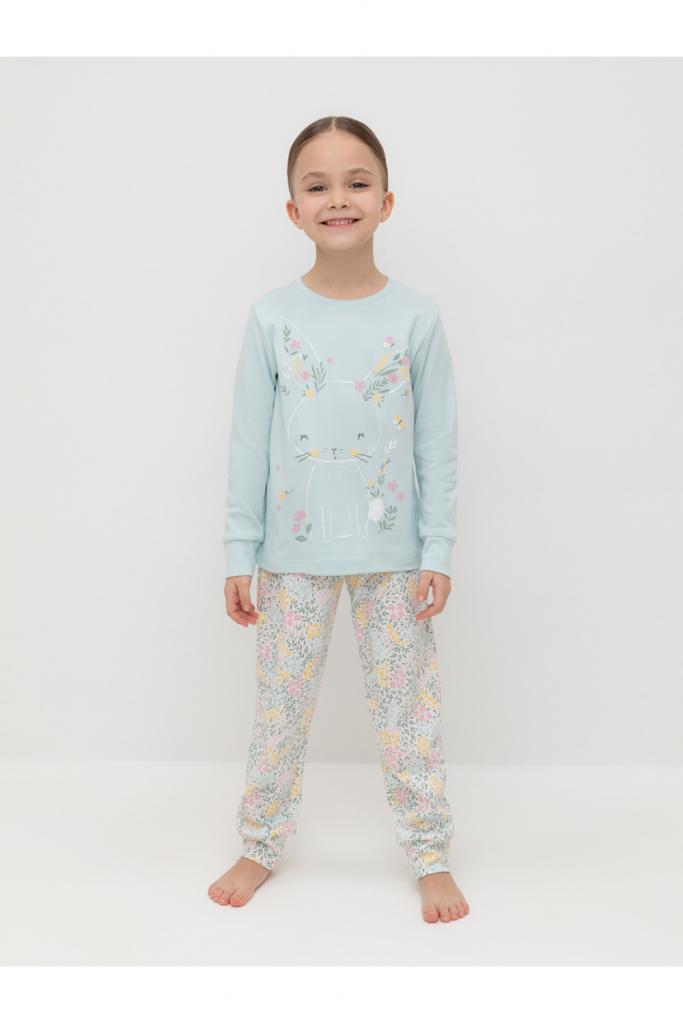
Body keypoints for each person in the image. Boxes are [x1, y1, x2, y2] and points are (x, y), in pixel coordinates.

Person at [208, 115, 469, 925]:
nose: (338, 198)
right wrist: (239, 552)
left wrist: (437, 547)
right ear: (293, 210)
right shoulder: (271, 318)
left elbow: (436, 443)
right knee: (280, 711)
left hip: (395, 557)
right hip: (292, 559)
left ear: (386, 201)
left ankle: (428, 853)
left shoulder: (417, 317)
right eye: (316, 186)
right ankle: (259, 843)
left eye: (356, 182)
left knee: (407, 714)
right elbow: (248, 443)